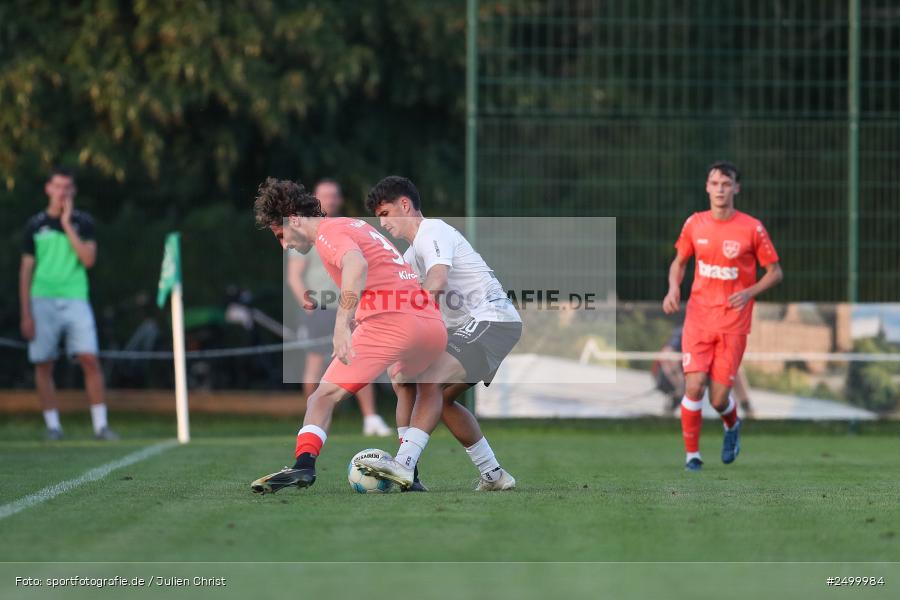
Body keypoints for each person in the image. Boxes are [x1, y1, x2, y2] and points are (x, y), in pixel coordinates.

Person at [250, 178, 447, 493]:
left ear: (295, 219)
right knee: (404, 384)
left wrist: (341, 323)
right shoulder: (353, 225)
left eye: (281, 235)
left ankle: (303, 467)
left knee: (322, 396)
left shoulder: (328, 233)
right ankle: (410, 470)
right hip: (431, 324)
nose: (284, 245)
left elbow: (356, 264)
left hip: (394, 323)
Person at [364, 175, 520, 491]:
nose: (383, 224)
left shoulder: (431, 231)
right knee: (434, 396)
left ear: (404, 204)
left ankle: (404, 466)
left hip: (493, 319)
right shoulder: (409, 258)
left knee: (429, 381)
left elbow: (437, 280)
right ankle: (494, 475)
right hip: (471, 328)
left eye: (385, 214)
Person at [662, 161, 782, 471]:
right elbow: (679, 262)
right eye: (714, 183)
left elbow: (775, 272)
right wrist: (674, 289)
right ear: (707, 187)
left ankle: (732, 422)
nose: (719, 189)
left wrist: (749, 291)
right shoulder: (694, 224)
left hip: (733, 322)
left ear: (736, 189)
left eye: (726, 184)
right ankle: (693, 457)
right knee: (693, 386)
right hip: (699, 318)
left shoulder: (751, 228)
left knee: (717, 400)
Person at [285, 179, 390, 437]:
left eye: (333, 196)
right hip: (320, 307)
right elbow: (294, 276)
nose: (329, 201)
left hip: (350, 306)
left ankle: (370, 418)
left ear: (339, 200)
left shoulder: (344, 228)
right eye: (324, 196)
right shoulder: (304, 234)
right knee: (315, 363)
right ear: (314, 200)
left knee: (358, 358)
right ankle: (312, 420)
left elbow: (358, 266)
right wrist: (308, 304)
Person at [19, 167, 117, 441]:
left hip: (76, 298)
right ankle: (53, 426)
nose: (62, 192)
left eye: (67, 187)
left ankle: (100, 426)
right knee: (44, 362)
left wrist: (65, 223)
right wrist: (26, 312)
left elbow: (88, 260)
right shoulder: (34, 225)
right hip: (42, 299)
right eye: (57, 186)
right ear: (48, 189)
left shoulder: (83, 222)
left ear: (73, 191)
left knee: (89, 358)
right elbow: (26, 270)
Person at [653, 326, 755, 418]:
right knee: (669, 360)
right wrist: (680, 381)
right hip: (681, 375)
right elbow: (667, 353)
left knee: (735, 369)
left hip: (706, 373)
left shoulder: (718, 332)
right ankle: (674, 403)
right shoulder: (684, 331)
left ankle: (748, 409)